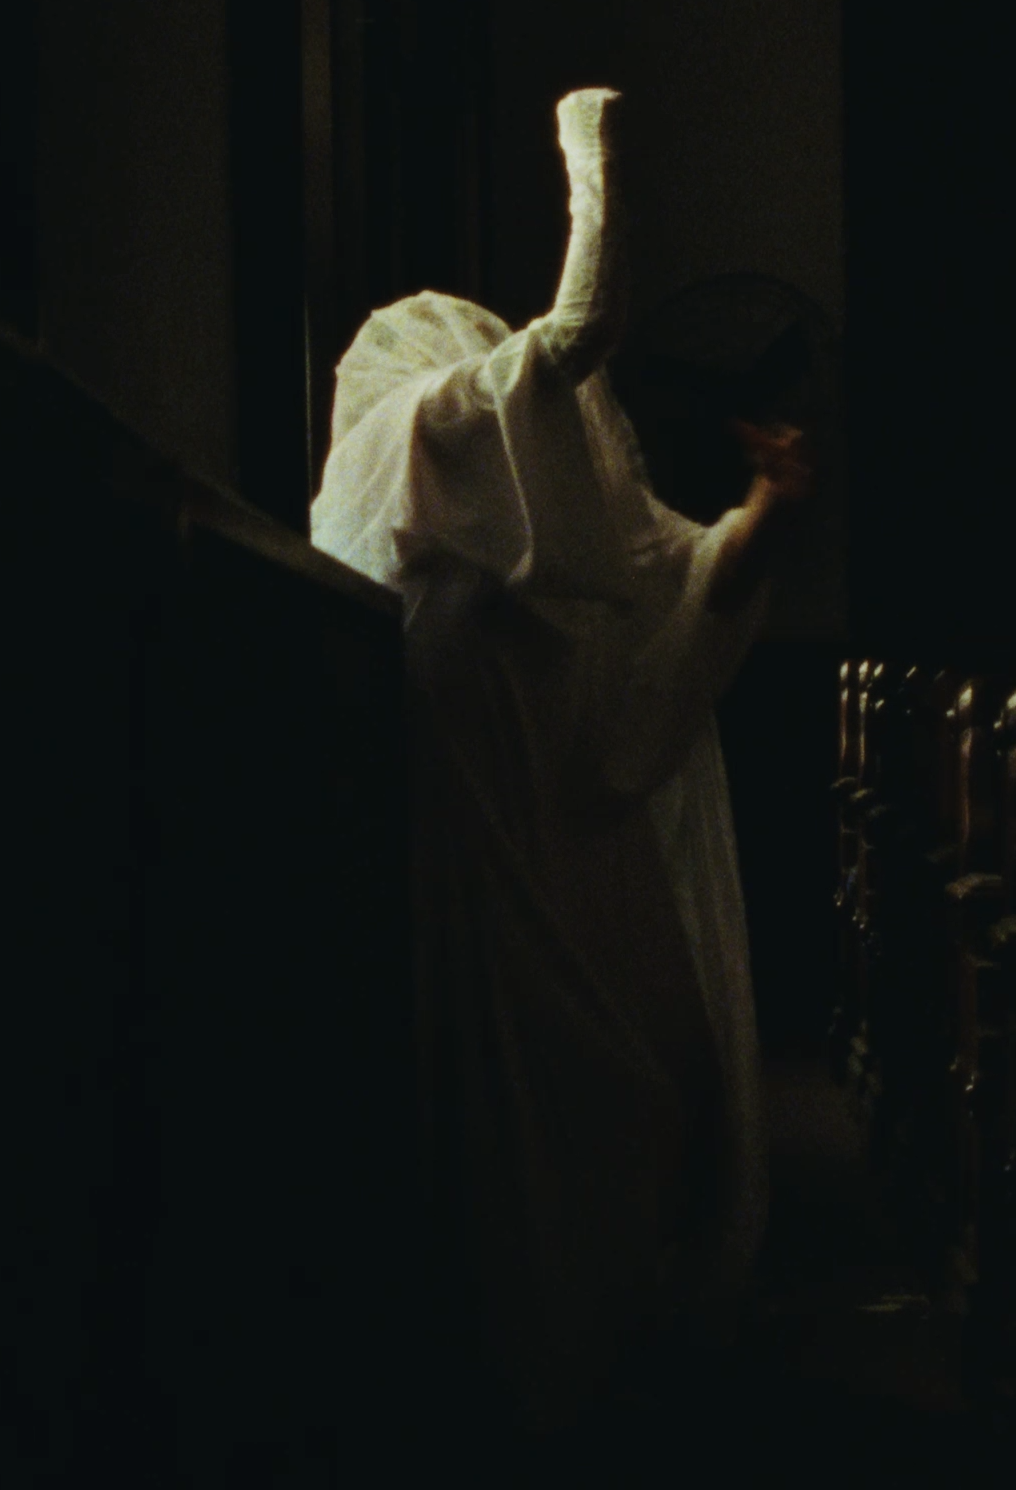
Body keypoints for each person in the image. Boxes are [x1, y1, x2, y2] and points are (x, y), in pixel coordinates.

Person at [309, 88, 813, 1434]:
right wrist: (589, 158)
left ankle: (584, 1374)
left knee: (638, 1080)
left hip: (548, 845)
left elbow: (675, 575)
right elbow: (576, 334)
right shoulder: (417, 443)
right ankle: (513, 1392)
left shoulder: (521, 489)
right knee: (531, 1110)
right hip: (454, 851)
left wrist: (768, 508)